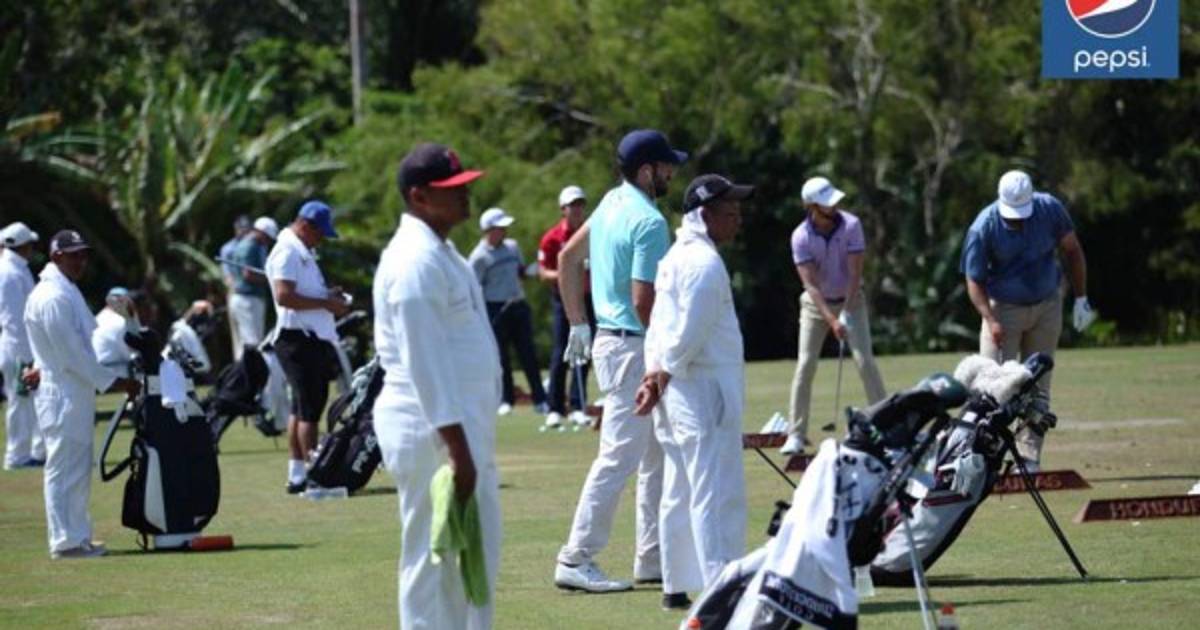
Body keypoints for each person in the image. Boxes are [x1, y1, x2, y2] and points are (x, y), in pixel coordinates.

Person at [553, 128, 688, 592]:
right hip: (635, 347)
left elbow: (568, 258)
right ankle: (576, 556)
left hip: (612, 341)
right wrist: (671, 350)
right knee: (619, 456)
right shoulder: (650, 221)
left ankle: (651, 557)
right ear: (647, 171)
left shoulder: (611, 202)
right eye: (666, 166)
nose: (672, 174)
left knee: (654, 456)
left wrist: (578, 322)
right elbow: (644, 300)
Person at [372, 142, 500, 628]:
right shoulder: (414, 262)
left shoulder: (441, 252)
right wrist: (456, 449)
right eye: (452, 188)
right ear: (420, 196)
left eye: (464, 184)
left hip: (456, 427)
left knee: (471, 550)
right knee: (433, 557)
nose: (465, 194)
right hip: (431, 430)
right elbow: (423, 362)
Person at [636, 174, 754, 609]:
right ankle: (719, 585)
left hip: (678, 385)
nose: (737, 220)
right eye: (730, 213)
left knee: (680, 486)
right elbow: (691, 331)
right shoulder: (704, 263)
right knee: (714, 488)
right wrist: (662, 374)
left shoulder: (674, 257)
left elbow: (658, 327)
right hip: (701, 386)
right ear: (704, 216)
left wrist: (654, 374)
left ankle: (676, 582)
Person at [960, 169, 1095, 470]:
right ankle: (984, 461)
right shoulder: (983, 226)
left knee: (1038, 388)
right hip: (1002, 311)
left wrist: (1081, 298)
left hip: (1047, 305)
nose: (1018, 220)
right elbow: (974, 281)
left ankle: (1029, 459)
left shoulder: (1050, 209)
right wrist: (990, 318)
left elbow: (1072, 250)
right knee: (992, 389)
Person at [24, 230, 140, 558]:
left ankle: (77, 536)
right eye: (73, 255)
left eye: (83, 255)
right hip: (63, 392)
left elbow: (68, 346)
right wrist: (117, 383)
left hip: (71, 391)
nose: (80, 261)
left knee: (76, 469)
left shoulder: (65, 289)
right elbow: (73, 356)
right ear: (56, 256)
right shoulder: (52, 296)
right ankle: (65, 542)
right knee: (64, 470)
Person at [780, 176, 887, 456]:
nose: (835, 206)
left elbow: (855, 273)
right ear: (812, 207)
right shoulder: (800, 237)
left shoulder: (851, 225)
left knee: (865, 362)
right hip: (816, 306)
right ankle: (796, 434)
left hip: (852, 300)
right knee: (805, 365)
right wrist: (831, 320)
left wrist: (846, 312)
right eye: (827, 203)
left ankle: (886, 424)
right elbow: (811, 285)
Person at [265, 201, 349, 494]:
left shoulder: (299, 250)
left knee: (301, 408)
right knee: (310, 409)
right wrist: (326, 303)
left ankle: (298, 475)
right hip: (296, 339)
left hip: (303, 337)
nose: (321, 239)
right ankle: (315, 477)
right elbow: (284, 296)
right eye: (320, 233)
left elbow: (299, 292)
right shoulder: (288, 251)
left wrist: (327, 295)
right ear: (304, 225)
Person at [467, 207, 549, 417]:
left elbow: (520, 272)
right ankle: (506, 399)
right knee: (501, 357)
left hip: (518, 305)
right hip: (495, 309)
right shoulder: (479, 257)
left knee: (528, 354)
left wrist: (530, 271)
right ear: (488, 230)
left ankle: (540, 399)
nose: (504, 231)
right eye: (500, 228)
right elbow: (473, 288)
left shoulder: (512, 247)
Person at [538, 185, 596, 430]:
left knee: (585, 350)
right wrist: (569, 271)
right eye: (573, 205)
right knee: (561, 351)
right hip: (562, 299)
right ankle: (554, 408)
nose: (577, 209)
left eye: (580, 204)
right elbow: (543, 273)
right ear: (563, 209)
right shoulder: (552, 238)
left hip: (588, 298)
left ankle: (578, 406)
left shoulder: (593, 233)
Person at [1, 222, 46, 469]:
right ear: (23, 246)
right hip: (19, 349)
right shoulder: (9, 272)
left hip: (20, 348)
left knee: (28, 402)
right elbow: (15, 320)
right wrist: (27, 357)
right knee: (20, 403)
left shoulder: (15, 268)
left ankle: (34, 452)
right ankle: (16, 457)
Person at [228, 217, 278, 359]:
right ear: (260, 232)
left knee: (245, 345)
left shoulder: (247, 244)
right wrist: (271, 279)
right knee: (253, 342)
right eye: (267, 237)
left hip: (244, 299)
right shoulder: (251, 246)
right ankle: (249, 372)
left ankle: (245, 371)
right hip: (248, 300)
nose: (268, 241)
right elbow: (248, 275)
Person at [218, 215, 252, 356]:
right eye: (241, 228)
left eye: (247, 229)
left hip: (252, 293)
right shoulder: (228, 249)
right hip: (236, 292)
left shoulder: (254, 246)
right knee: (237, 335)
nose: (244, 231)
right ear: (236, 229)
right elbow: (227, 276)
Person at [92, 287, 141, 375]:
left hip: (95, 369)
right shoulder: (121, 321)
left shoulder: (98, 317)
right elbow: (132, 352)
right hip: (111, 371)